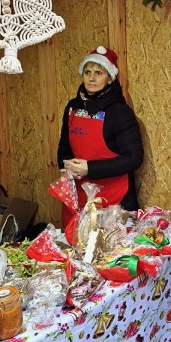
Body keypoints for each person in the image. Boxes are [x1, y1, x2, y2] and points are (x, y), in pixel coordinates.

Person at [57, 46, 143, 227]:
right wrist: (66, 166)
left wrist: (90, 168)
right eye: (87, 72)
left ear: (110, 78)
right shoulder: (73, 108)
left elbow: (134, 158)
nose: (91, 78)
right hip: (79, 197)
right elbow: (64, 146)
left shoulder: (120, 112)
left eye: (98, 73)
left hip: (114, 201)